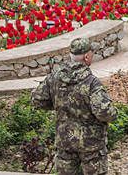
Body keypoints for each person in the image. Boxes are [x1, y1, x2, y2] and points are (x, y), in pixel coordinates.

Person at [31, 37, 117, 175]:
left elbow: (37, 100)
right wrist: (114, 112)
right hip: (91, 147)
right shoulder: (92, 83)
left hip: (65, 143)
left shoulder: (54, 78)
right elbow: (104, 112)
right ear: (86, 56)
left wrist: (57, 104)